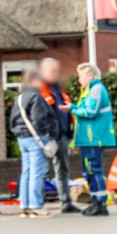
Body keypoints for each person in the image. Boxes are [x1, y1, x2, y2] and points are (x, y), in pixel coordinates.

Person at [9, 68, 60, 216]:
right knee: (37, 173)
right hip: (36, 138)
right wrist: (46, 131)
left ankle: (25, 206)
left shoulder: (20, 97)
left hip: (22, 138)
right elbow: (39, 119)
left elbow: (13, 120)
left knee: (26, 172)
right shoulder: (37, 97)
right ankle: (36, 206)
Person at [37, 57, 80, 214]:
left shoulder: (58, 90)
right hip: (48, 137)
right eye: (52, 71)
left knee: (63, 171)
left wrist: (69, 132)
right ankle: (38, 204)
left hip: (62, 135)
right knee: (41, 170)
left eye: (56, 71)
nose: (56, 74)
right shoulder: (39, 89)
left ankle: (66, 202)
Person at [71, 63, 115, 216]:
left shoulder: (96, 89)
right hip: (89, 138)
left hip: (94, 138)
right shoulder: (90, 89)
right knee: (88, 171)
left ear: (90, 76)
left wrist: (71, 108)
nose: (79, 80)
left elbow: (90, 111)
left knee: (93, 170)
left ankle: (101, 203)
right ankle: (95, 201)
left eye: (81, 76)